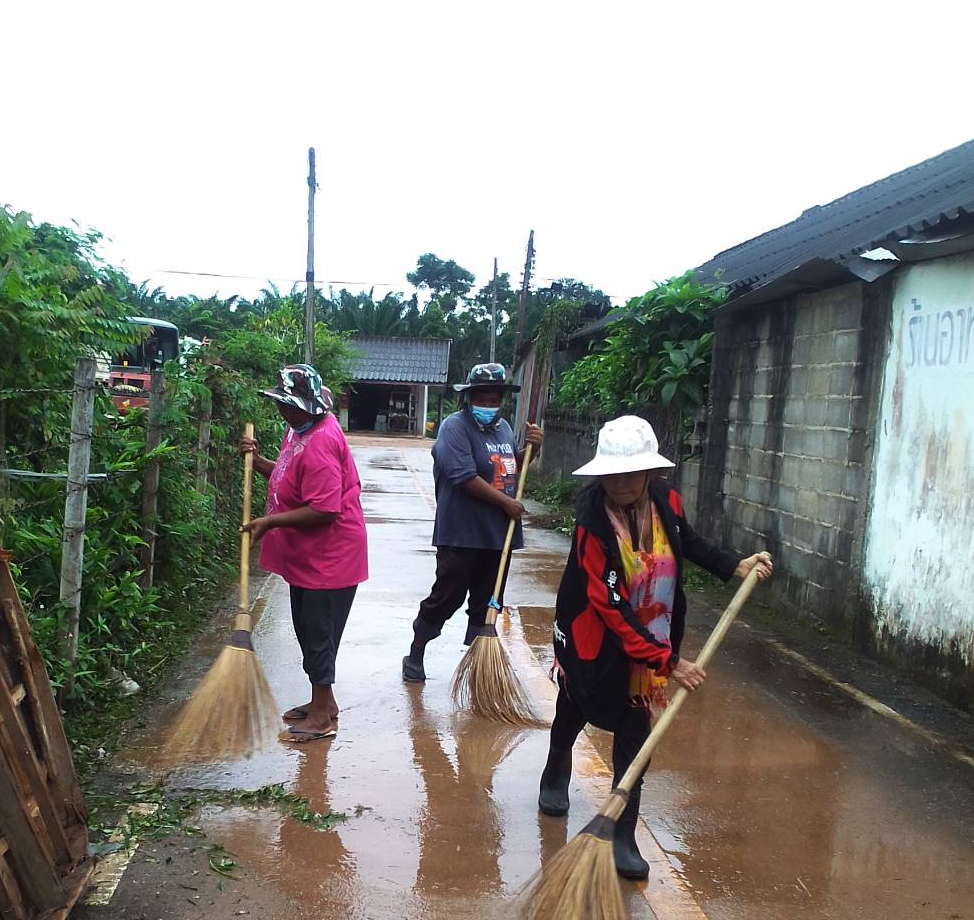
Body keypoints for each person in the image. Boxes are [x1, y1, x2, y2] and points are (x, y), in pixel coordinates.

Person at [541, 415, 773, 878]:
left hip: (653, 630)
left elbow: (689, 543)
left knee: (634, 727)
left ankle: (623, 831)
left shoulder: (667, 501)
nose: (623, 483)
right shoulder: (592, 524)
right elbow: (608, 607)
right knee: (576, 704)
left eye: (632, 473)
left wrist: (735, 567)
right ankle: (555, 770)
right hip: (594, 638)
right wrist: (668, 662)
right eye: (614, 474)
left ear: (650, 472)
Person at [240, 364, 368, 742]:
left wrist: (271, 523)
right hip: (310, 559)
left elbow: (325, 509)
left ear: (303, 406)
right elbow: (287, 475)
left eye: (285, 404)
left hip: (331, 560)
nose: (281, 410)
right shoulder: (300, 430)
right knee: (308, 632)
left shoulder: (321, 442)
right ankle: (322, 704)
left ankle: (321, 720)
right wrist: (257, 461)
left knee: (318, 635)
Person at [402, 362, 544, 682]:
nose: (489, 406)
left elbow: (510, 470)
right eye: (482, 399)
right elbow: (463, 476)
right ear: (469, 398)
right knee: (446, 597)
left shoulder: (504, 429)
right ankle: (417, 647)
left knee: (489, 603)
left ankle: (480, 671)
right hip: (461, 534)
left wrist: (533, 449)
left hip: (498, 535)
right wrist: (507, 503)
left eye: (494, 400)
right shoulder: (455, 428)